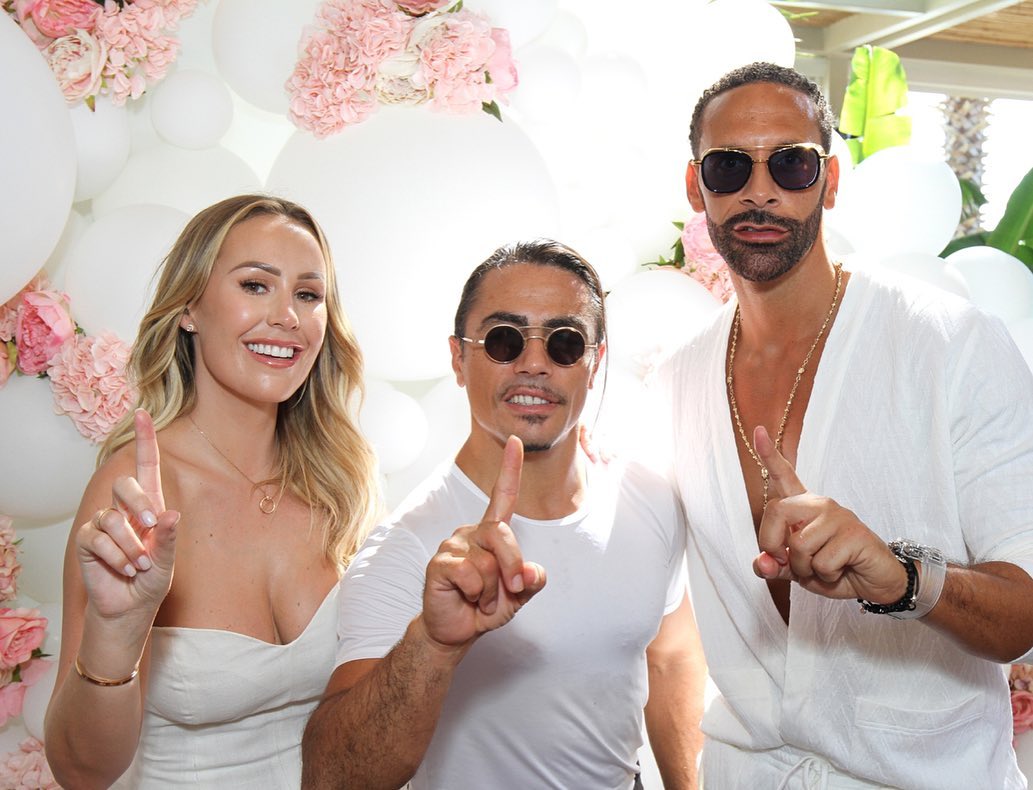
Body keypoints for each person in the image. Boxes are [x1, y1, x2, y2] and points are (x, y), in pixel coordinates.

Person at [655, 61, 1033, 788]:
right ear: (695, 186)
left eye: (790, 164)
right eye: (729, 166)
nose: (758, 190)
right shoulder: (676, 379)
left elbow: (1025, 613)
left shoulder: (948, 344)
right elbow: (671, 629)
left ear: (828, 181)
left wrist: (901, 578)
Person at [301, 239, 706, 790]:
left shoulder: (648, 496)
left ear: (595, 362)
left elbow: (671, 654)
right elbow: (331, 779)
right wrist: (433, 643)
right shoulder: (409, 548)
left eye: (564, 343)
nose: (535, 363)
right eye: (503, 340)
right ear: (458, 359)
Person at [44, 194, 380, 788]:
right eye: (255, 285)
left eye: (308, 294)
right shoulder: (132, 496)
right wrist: (117, 632)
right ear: (189, 308)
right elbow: (80, 769)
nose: (287, 317)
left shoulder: (341, 478)